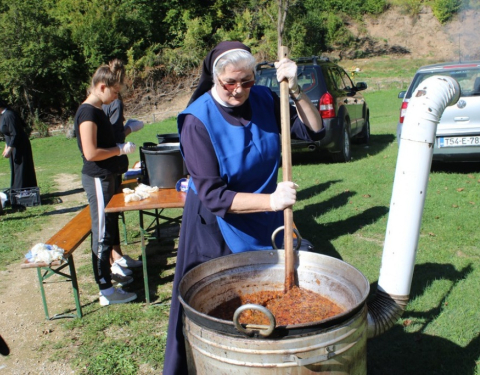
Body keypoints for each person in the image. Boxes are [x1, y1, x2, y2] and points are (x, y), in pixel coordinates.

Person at [163, 41, 324, 374]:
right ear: (214, 79)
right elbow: (213, 196)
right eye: (230, 83)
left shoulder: (266, 98)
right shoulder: (197, 121)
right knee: (223, 310)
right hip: (216, 226)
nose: (239, 90)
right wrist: (271, 201)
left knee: (276, 296)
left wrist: (296, 90)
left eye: (247, 81)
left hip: (266, 217)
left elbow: (313, 130)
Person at [74, 59, 138, 305]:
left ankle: (108, 282)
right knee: (101, 235)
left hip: (107, 177)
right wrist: (119, 149)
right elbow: (90, 153)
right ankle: (106, 291)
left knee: (108, 229)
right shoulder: (88, 111)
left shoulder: (98, 110)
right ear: (101, 87)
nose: (115, 98)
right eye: (114, 92)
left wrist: (123, 137)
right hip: (97, 178)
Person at [102, 97, 144, 284]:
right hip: (106, 169)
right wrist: (128, 129)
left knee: (114, 213)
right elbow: (110, 137)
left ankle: (117, 254)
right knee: (107, 215)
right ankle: (111, 263)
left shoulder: (109, 102)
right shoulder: (107, 104)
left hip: (113, 167)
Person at [0, 99, 38, 199]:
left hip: (19, 146)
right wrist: (6, 146)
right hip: (13, 146)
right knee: (16, 170)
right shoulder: (3, 115)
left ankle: (23, 194)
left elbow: (15, 133)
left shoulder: (9, 115)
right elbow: (7, 133)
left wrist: (10, 149)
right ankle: (18, 193)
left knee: (21, 170)